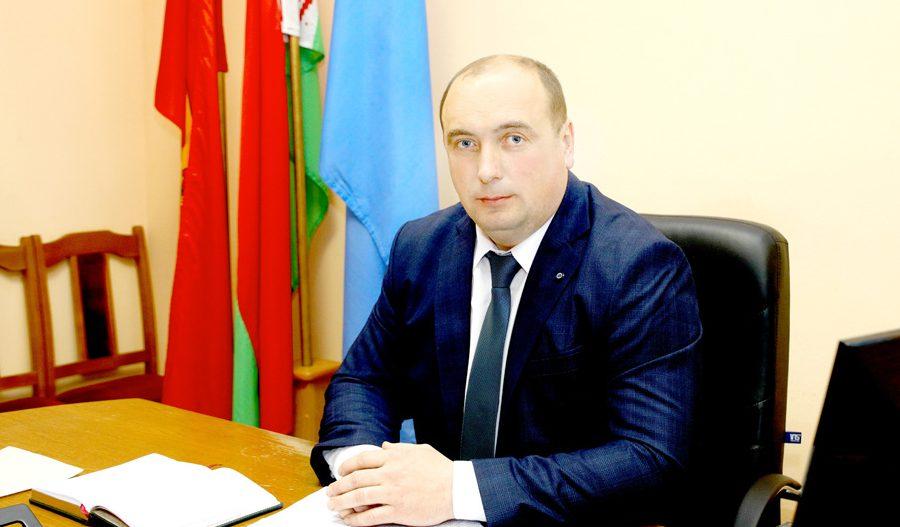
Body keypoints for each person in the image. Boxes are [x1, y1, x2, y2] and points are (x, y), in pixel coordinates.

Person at [311, 55, 702, 527]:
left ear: (566, 142)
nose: (486, 170)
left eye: (513, 139)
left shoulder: (636, 265)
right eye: (464, 143)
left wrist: (458, 490)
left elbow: (649, 458)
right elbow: (365, 381)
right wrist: (363, 473)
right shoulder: (421, 246)